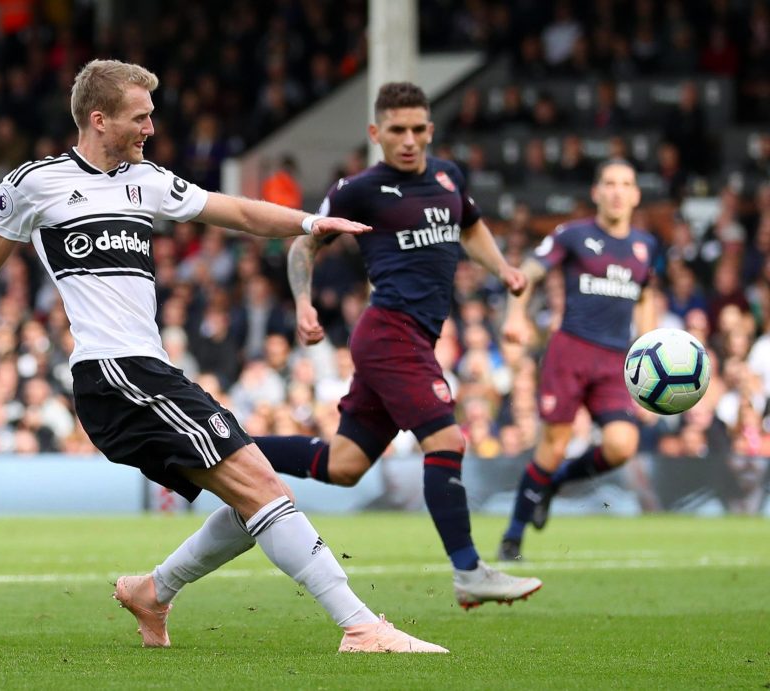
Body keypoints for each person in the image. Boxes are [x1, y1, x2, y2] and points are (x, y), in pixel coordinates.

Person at [0, 60, 447, 654]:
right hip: (115, 372)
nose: (151, 128)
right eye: (141, 117)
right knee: (264, 488)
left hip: (145, 371)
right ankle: (362, 626)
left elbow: (233, 211)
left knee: (252, 498)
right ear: (99, 119)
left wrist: (309, 221)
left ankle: (154, 592)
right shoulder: (35, 183)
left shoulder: (146, 180)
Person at [254, 82, 543, 608]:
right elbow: (305, 241)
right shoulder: (359, 190)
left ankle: (230, 453)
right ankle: (469, 570)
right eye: (397, 130)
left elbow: (470, 227)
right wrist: (302, 303)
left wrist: (502, 268)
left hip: (414, 337)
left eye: (417, 129)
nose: (408, 140)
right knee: (448, 441)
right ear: (376, 133)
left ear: (430, 130)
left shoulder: (448, 176)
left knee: (342, 465)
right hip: (390, 333)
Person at [497, 158, 657, 561]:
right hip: (569, 351)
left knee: (622, 445)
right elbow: (528, 273)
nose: (618, 191)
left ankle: (554, 484)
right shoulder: (573, 235)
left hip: (616, 361)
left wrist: (653, 351)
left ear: (636, 195)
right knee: (552, 445)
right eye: (610, 183)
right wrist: (517, 316)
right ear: (596, 192)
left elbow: (648, 295)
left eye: (625, 184)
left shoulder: (646, 246)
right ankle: (512, 538)